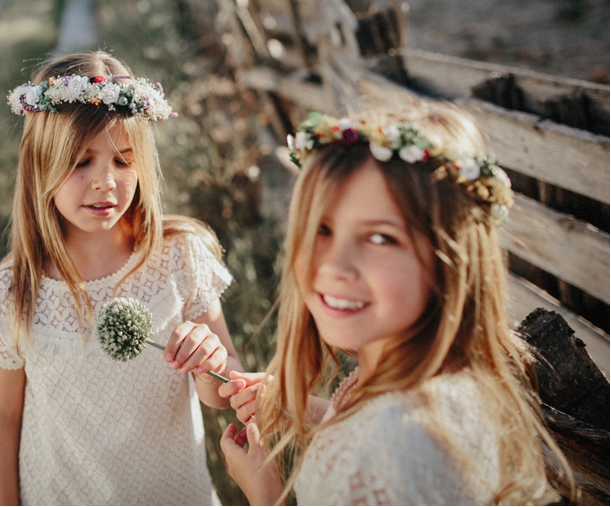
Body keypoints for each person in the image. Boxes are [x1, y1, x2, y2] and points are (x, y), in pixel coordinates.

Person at [218, 103, 572, 505]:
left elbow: (382, 453)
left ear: (450, 260)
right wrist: (306, 412)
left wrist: (266, 496)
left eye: (382, 238)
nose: (334, 265)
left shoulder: (400, 447)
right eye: (323, 229)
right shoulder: (424, 385)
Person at [0, 51, 242, 506]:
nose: (105, 182)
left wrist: (211, 362)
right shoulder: (13, 294)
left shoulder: (177, 257)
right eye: (80, 162)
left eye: (123, 161)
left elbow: (223, 389)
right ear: (41, 164)